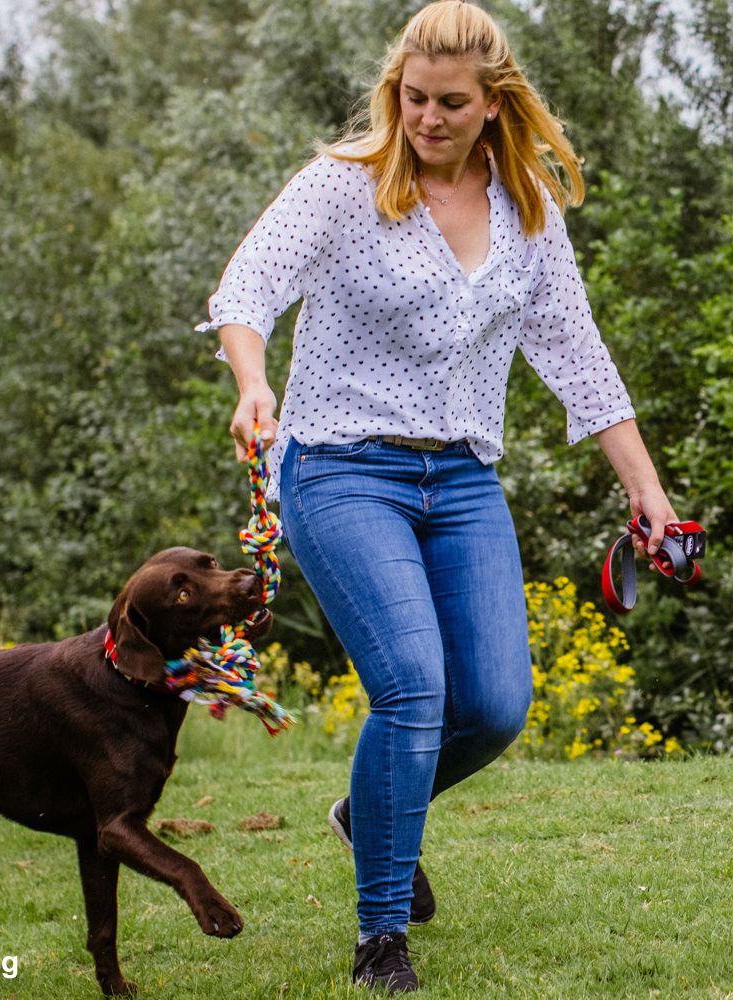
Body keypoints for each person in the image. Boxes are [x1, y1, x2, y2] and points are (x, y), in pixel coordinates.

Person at [196, 1, 678, 993]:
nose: (426, 117)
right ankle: (381, 939)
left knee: (495, 706)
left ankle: (365, 810)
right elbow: (243, 293)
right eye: (412, 98)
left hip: (461, 477)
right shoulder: (342, 186)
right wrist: (253, 382)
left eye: (449, 102)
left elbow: (581, 365)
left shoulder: (527, 209)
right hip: (339, 469)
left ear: (491, 101)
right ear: (395, 92)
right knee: (412, 687)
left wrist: (651, 499)